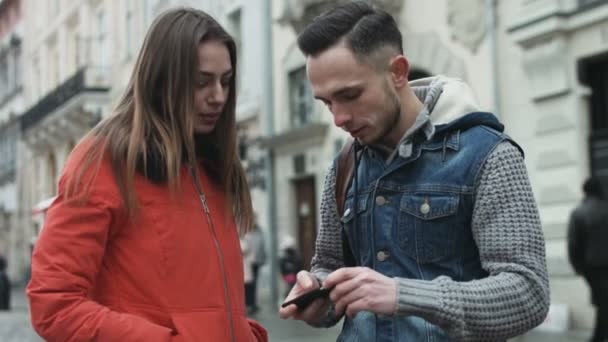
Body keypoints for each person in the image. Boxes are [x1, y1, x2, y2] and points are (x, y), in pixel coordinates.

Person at [279, 2, 550, 341]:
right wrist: (318, 292)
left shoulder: (489, 155)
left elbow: (528, 294)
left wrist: (403, 295)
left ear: (398, 72)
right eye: (327, 102)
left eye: (350, 95)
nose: (339, 118)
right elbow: (330, 265)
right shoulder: (345, 164)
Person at [26, 8, 267, 342]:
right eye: (201, 82)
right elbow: (54, 303)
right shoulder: (104, 159)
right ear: (161, 79)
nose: (218, 97)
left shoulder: (212, 163)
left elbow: (211, 304)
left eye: (225, 81)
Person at [568, 177, 608, 342]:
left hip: (591, 267)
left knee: (602, 301)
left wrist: (578, 267)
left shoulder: (579, 213)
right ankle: (598, 337)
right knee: (603, 301)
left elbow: (573, 244)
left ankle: (598, 337)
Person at [243, 219, 266, 314]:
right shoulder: (246, 232)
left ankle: (252, 303)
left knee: (254, 283)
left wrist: (263, 257)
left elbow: (262, 246)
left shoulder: (259, 231)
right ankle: (249, 303)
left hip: (257, 261)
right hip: (248, 263)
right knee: (249, 284)